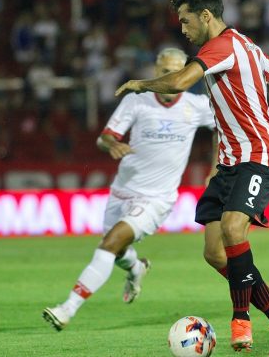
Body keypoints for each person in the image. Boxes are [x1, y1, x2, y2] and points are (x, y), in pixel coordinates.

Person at [115, 0, 269, 356]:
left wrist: (140, 84)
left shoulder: (220, 47)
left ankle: (240, 319)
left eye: (185, 20)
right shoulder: (246, 46)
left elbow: (179, 82)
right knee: (215, 253)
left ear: (205, 16)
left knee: (232, 227)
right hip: (229, 162)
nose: (182, 29)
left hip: (258, 156)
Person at [42, 48, 216, 331]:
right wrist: (113, 144)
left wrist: (216, 168)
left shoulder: (196, 105)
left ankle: (67, 309)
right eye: (164, 71)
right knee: (117, 250)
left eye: (176, 70)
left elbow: (224, 127)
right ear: (155, 72)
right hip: (122, 190)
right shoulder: (138, 100)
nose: (170, 76)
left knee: (109, 243)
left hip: (157, 199)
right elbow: (105, 137)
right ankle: (137, 268)